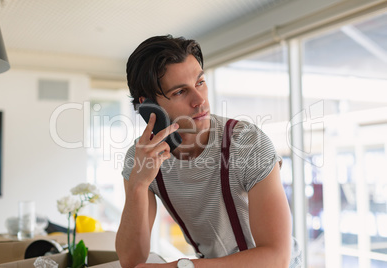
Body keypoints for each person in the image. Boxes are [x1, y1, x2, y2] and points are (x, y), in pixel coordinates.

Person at [116, 35, 302, 268]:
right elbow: (131, 260)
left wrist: (183, 267)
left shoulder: (247, 143)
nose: (200, 100)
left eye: (200, 83)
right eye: (180, 92)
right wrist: (138, 185)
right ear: (149, 106)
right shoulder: (141, 157)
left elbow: (277, 258)